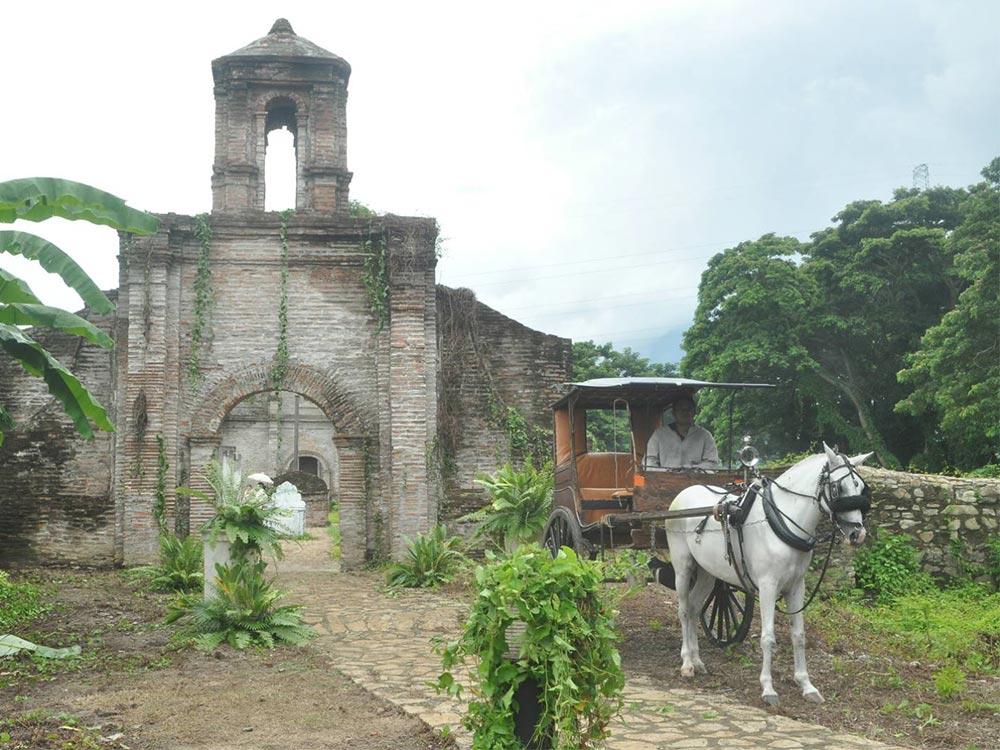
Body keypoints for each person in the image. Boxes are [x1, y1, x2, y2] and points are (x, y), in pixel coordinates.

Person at [644, 395, 719, 470]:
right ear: (673, 412)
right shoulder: (659, 435)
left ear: (694, 412)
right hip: (665, 479)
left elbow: (712, 462)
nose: (684, 412)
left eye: (688, 409)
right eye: (680, 409)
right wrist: (666, 472)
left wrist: (693, 469)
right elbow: (649, 461)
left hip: (696, 480)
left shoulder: (705, 435)